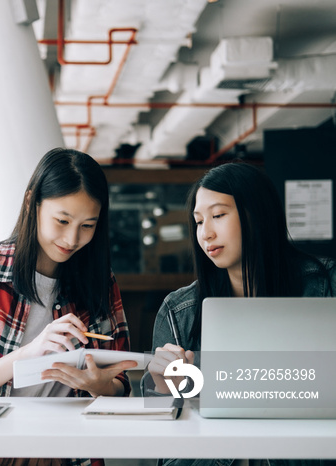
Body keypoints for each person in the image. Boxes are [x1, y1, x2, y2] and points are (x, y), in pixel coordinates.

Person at [0, 148, 137, 466]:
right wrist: (27, 354)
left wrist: (101, 385)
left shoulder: (100, 282)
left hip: (61, 453)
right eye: (62, 220)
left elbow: (121, 383)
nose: (72, 238)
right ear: (32, 203)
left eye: (87, 226)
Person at [142, 161, 336, 466]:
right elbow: (165, 452)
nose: (205, 233)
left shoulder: (328, 284)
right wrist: (161, 389)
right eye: (198, 221)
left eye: (218, 215)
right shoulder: (179, 312)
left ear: (257, 215)